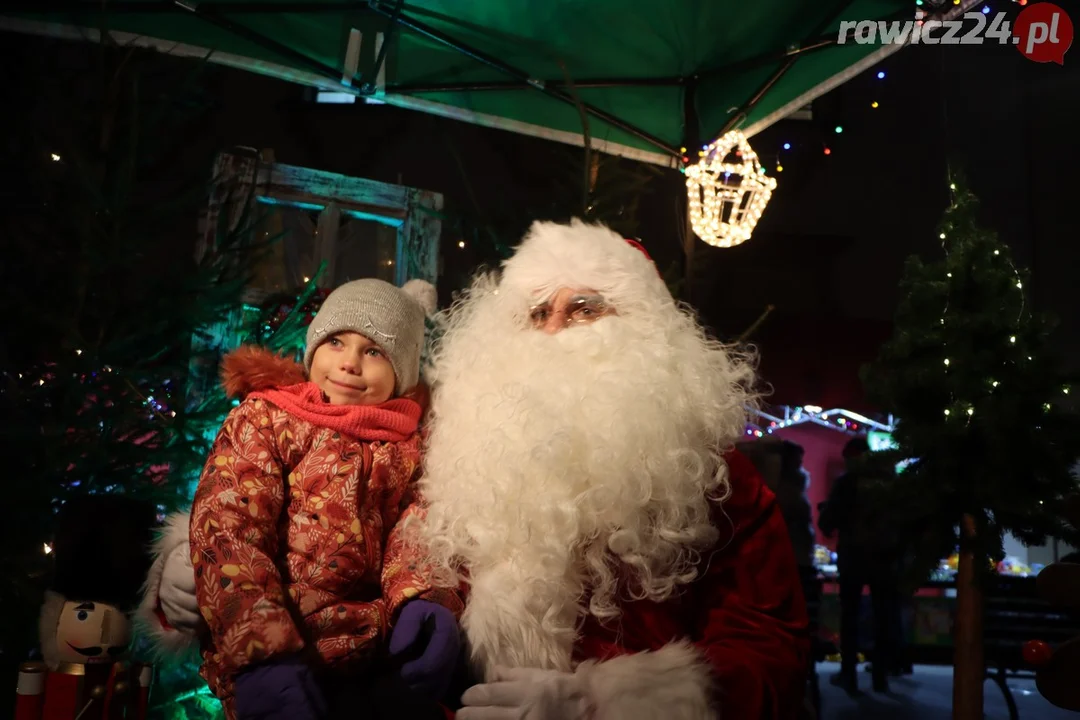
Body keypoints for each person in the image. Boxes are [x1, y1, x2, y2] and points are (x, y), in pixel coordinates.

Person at [141, 220, 810, 719]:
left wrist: (601, 704)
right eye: (534, 311)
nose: (552, 331)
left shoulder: (712, 478)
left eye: (584, 308)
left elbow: (771, 651)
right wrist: (193, 560)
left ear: (650, 332)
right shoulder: (446, 440)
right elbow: (321, 529)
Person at [161, 278, 463, 720]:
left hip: (372, 655)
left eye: (374, 351)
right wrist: (259, 652)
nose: (350, 363)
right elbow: (230, 529)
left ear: (403, 372)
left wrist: (424, 599)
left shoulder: (407, 446)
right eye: (336, 342)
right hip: (284, 651)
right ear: (314, 347)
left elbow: (416, 532)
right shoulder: (266, 419)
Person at [818, 436, 900, 694]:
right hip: (884, 557)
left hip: (853, 555)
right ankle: (879, 676)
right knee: (882, 615)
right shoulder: (890, 483)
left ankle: (849, 674)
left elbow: (827, 522)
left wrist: (828, 515)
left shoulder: (847, 482)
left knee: (850, 616)